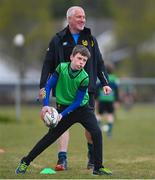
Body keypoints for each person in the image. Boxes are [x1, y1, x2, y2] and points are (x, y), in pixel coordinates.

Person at [15, 45, 112, 176]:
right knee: (49, 138)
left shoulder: (84, 77)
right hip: (64, 107)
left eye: (84, 60)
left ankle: (98, 167)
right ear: (71, 57)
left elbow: (78, 101)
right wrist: (45, 105)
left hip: (82, 109)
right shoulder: (61, 68)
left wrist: (62, 115)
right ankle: (25, 162)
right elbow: (48, 86)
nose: (81, 62)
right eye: (79, 58)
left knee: (96, 133)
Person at [39, 6, 111, 170]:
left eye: (84, 17)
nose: (82, 20)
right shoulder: (58, 39)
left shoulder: (90, 39)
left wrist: (105, 83)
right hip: (64, 92)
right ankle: (62, 159)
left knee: (90, 127)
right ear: (69, 19)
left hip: (86, 90)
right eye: (79, 17)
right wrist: (43, 86)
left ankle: (92, 157)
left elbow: (99, 62)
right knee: (61, 123)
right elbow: (48, 64)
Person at [96, 63, 120, 137]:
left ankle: (98, 128)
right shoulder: (115, 78)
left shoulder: (101, 78)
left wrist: (96, 99)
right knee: (110, 115)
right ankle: (109, 132)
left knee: (99, 114)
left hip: (102, 99)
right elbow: (116, 90)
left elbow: (97, 89)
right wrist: (117, 101)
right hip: (110, 100)